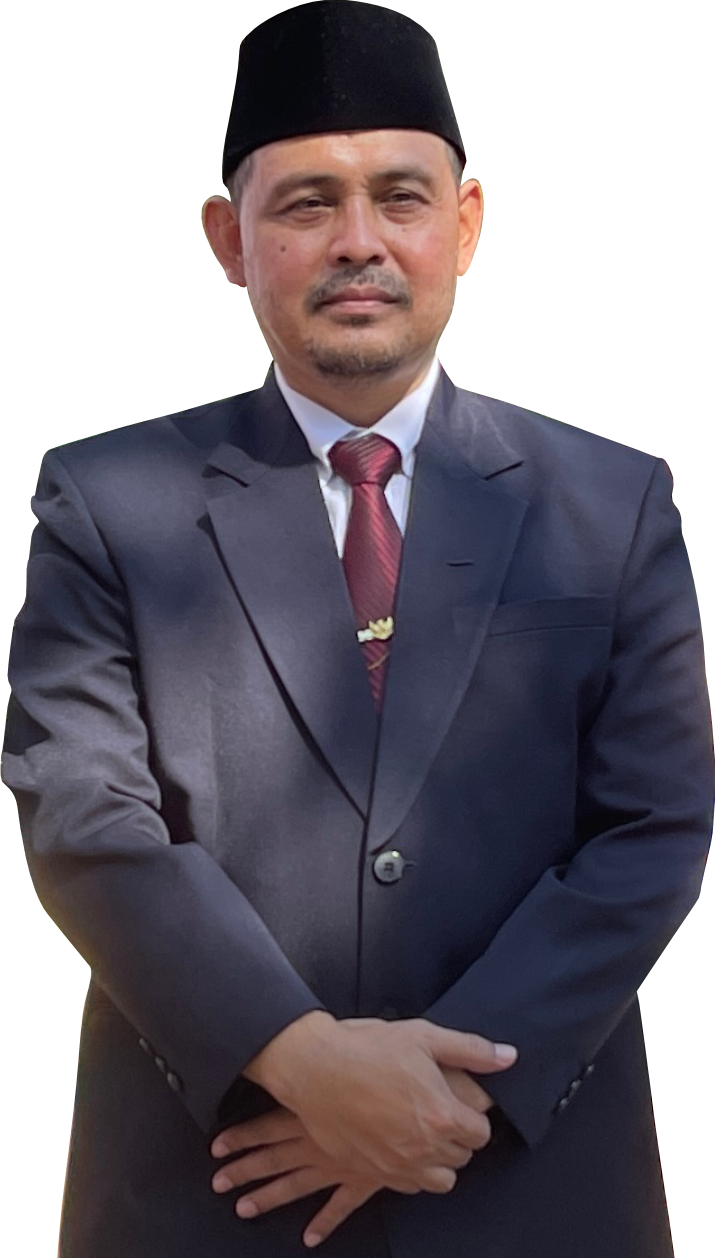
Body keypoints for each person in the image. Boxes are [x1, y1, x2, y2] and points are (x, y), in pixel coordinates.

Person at [1, 2, 712, 1256]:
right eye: (305, 203)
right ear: (228, 238)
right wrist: (297, 1056)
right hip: (211, 1185)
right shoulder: (108, 502)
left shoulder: (612, 503)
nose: (358, 242)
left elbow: (654, 823)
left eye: (400, 196)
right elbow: (85, 813)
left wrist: (439, 1096)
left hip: (530, 1188)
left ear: (466, 223)